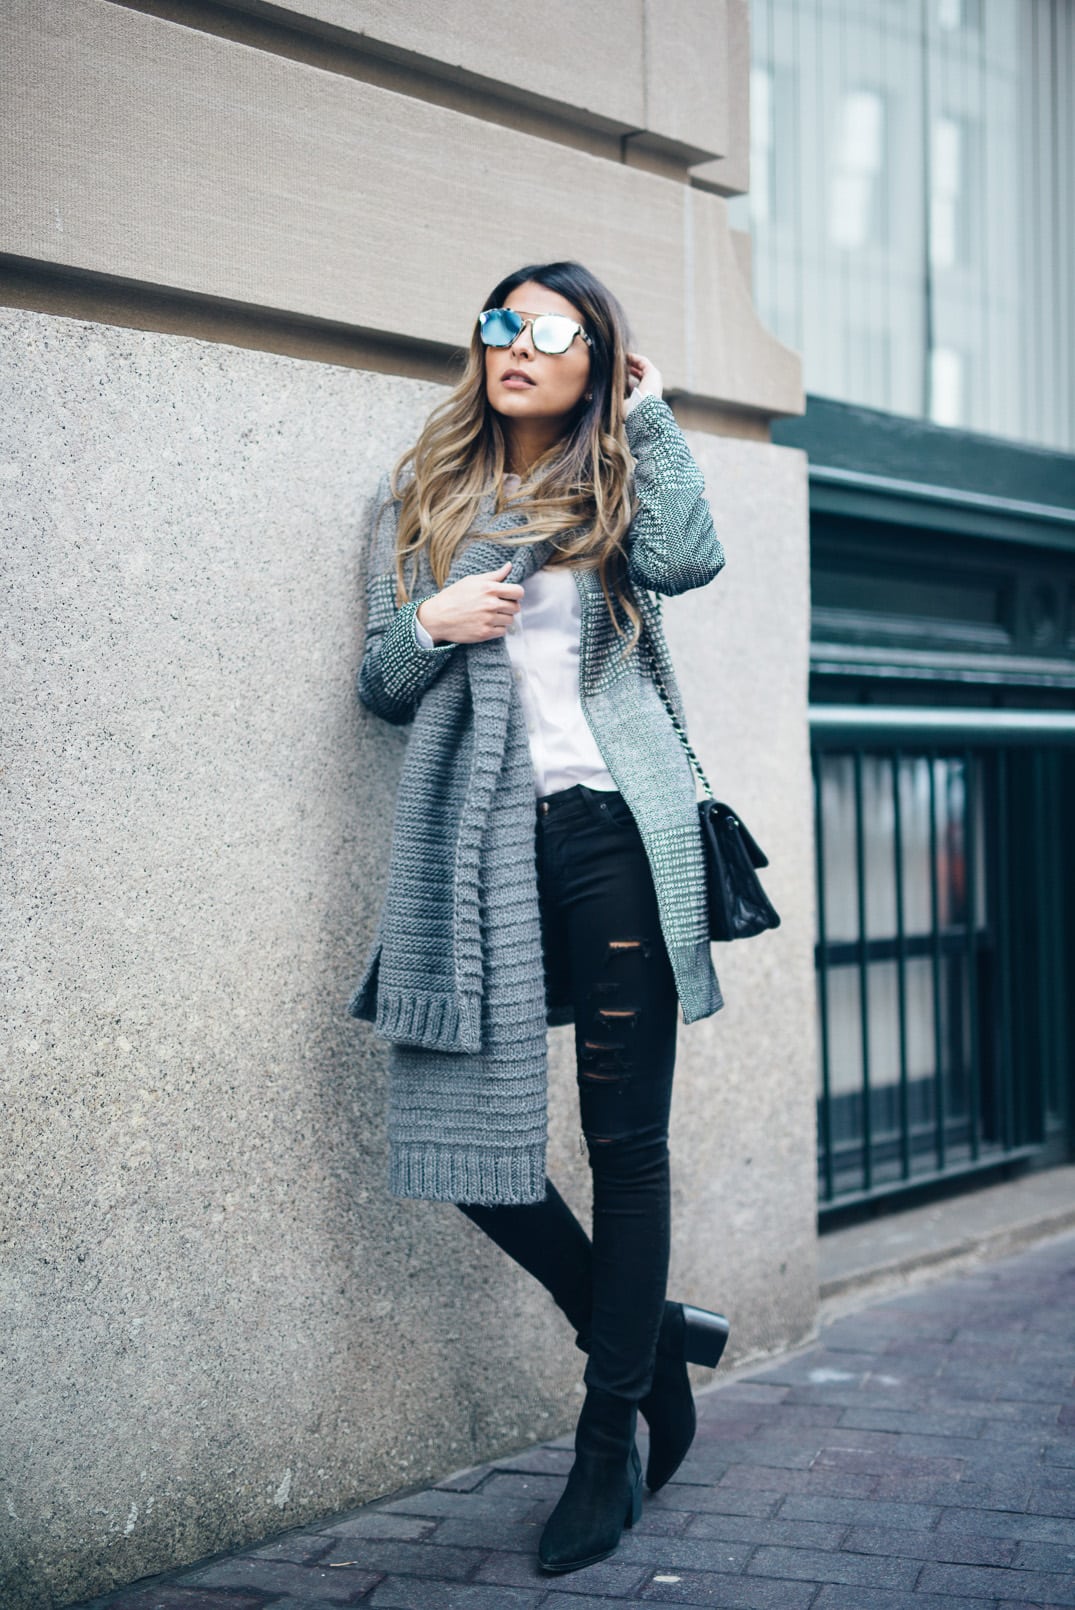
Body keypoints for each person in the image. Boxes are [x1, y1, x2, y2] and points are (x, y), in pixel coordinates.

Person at [348, 260, 730, 1575]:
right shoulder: (419, 492)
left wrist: (658, 412)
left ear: (594, 359)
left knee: (625, 1139)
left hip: (616, 833)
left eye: (550, 329)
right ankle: (645, 1337)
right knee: (474, 1151)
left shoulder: (614, 488)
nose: (516, 343)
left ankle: (603, 1438)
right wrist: (434, 622)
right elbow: (379, 681)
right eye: (499, 322)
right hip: (482, 848)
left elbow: (693, 555)